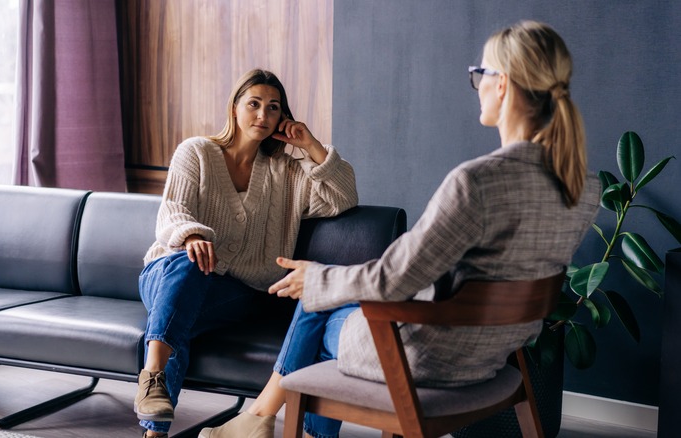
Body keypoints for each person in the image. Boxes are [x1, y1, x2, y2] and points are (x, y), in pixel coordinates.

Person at [202, 20, 601, 438]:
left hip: (427, 358)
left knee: (317, 306)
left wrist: (317, 278)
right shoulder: (581, 186)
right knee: (323, 300)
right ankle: (259, 422)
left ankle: (258, 421)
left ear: (501, 85)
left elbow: (394, 279)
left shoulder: (478, 181)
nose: (477, 85)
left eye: (479, 75)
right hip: (494, 354)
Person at [135, 69, 358, 438]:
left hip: (236, 292)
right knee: (188, 268)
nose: (263, 115)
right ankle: (153, 381)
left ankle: (155, 428)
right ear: (234, 108)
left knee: (182, 317)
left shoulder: (287, 172)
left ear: (282, 118)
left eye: (273, 108)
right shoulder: (197, 151)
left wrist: (311, 145)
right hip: (169, 273)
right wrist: (192, 236)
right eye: (253, 104)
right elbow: (172, 210)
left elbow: (343, 197)